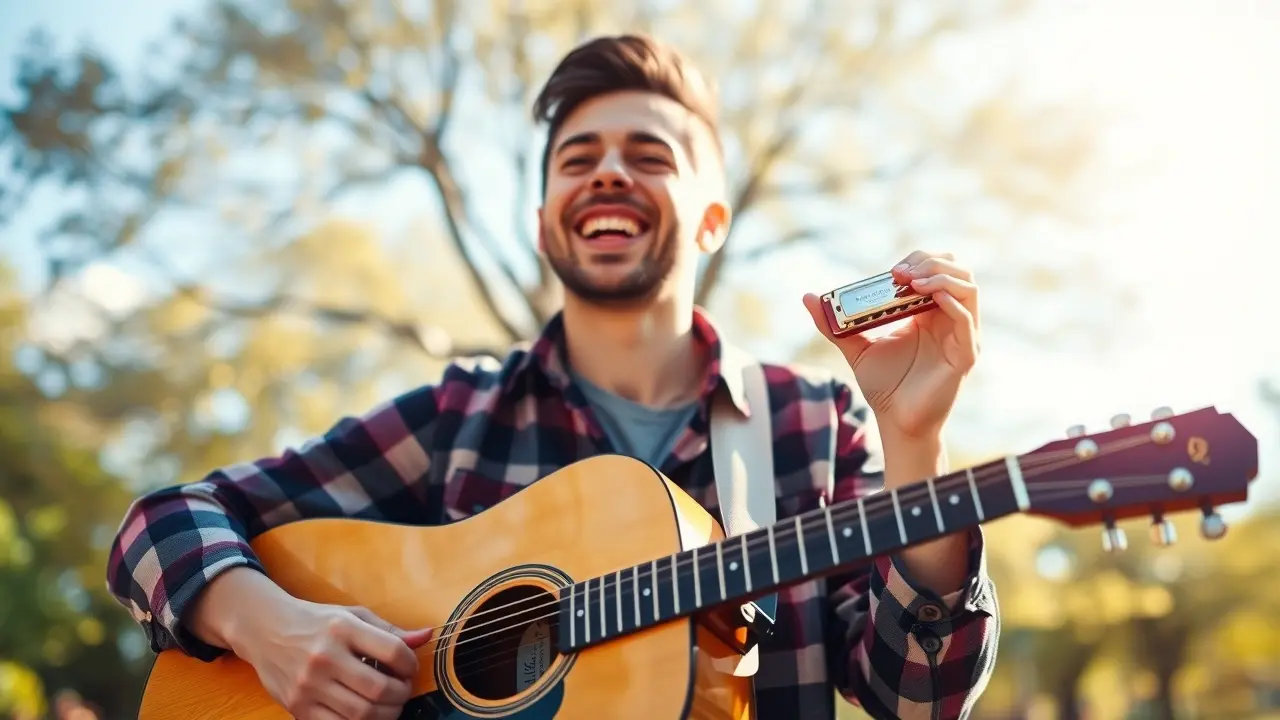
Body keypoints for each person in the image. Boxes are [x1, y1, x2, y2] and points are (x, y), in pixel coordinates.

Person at [106, 33, 997, 720]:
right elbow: (160, 523)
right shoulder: (459, 416)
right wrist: (270, 626)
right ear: (545, 224)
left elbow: (917, 699)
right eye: (580, 158)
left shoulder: (806, 426)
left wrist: (914, 440)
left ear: (714, 219)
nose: (609, 170)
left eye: (650, 155)